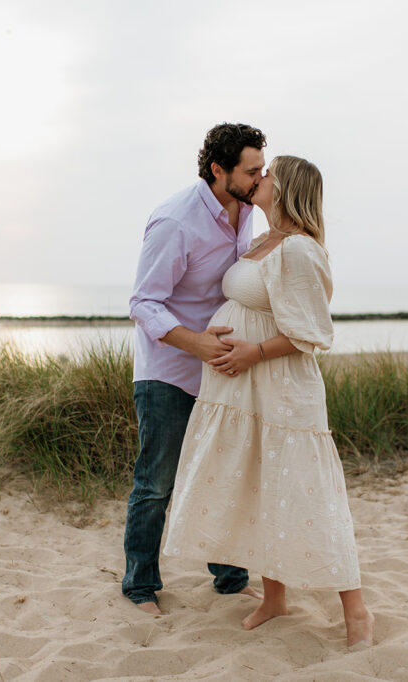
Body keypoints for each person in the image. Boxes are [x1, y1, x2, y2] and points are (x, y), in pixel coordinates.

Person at [161, 155, 375, 647]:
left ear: (287, 188)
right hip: (242, 388)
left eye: (269, 174)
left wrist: (253, 352)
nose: (259, 180)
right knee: (260, 484)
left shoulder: (299, 249)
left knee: (308, 490)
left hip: (281, 385)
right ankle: (274, 597)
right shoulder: (262, 242)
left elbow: (312, 333)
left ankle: (356, 611)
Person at [124, 123, 267, 614]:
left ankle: (229, 579)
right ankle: (139, 586)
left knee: (223, 473)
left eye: (260, 169)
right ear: (217, 170)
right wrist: (197, 344)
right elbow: (143, 303)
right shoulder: (175, 221)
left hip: (221, 367)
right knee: (156, 482)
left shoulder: (246, 207)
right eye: (251, 171)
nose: (258, 178)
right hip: (167, 369)